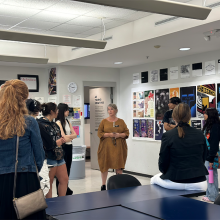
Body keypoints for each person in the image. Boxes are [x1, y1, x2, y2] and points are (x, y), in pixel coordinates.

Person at [0, 80, 46, 219]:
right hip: (25, 178)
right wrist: (32, 170)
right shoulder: (29, 121)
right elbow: (39, 155)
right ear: (24, 99)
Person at [151, 103, 208, 190]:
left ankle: (165, 203)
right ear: (189, 117)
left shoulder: (168, 135)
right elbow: (203, 157)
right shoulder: (200, 134)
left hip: (176, 180)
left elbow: (163, 162)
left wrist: (166, 173)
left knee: (153, 180)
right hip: (199, 182)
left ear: (173, 118)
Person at [37, 102, 68, 198]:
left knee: (64, 179)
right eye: (56, 110)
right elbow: (43, 143)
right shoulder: (40, 124)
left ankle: (62, 201)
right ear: (52, 111)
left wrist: (61, 140)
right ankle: (50, 205)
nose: (58, 112)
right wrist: (56, 143)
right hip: (49, 157)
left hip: (59, 156)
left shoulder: (55, 124)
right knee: (49, 182)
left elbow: (58, 137)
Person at [97, 104, 129, 191]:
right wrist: (109, 134)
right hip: (106, 147)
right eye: (108, 109)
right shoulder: (104, 121)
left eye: (112, 109)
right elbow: (99, 133)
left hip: (119, 148)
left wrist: (119, 135)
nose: (110, 111)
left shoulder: (121, 122)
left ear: (116, 110)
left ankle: (118, 184)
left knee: (118, 165)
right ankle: (103, 185)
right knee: (105, 165)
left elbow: (126, 133)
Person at [26, 99, 50, 197]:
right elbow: (39, 147)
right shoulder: (33, 122)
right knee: (42, 188)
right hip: (34, 162)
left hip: (23, 164)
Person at [56, 103, 77, 196]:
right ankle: (60, 192)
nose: (68, 111)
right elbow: (63, 138)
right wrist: (70, 137)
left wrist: (69, 137)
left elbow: (75, 134)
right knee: (61, 172)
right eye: (66, 110)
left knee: (68, 169)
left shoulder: (67, 121)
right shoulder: (58, 122)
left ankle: (66, 188)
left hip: (69, 147)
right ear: (62, 111)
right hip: (63, 148)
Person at [202, 108, 220, 203]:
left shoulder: (215, 127)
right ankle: (209, 193)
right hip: (208, 155)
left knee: (212, 176)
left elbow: (214, 144)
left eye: (205, 113)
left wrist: (211, 159)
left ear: (210, 115)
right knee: (210, 176)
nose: (204, 115)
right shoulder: (209, 126)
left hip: (211, 156)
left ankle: (213, 196)